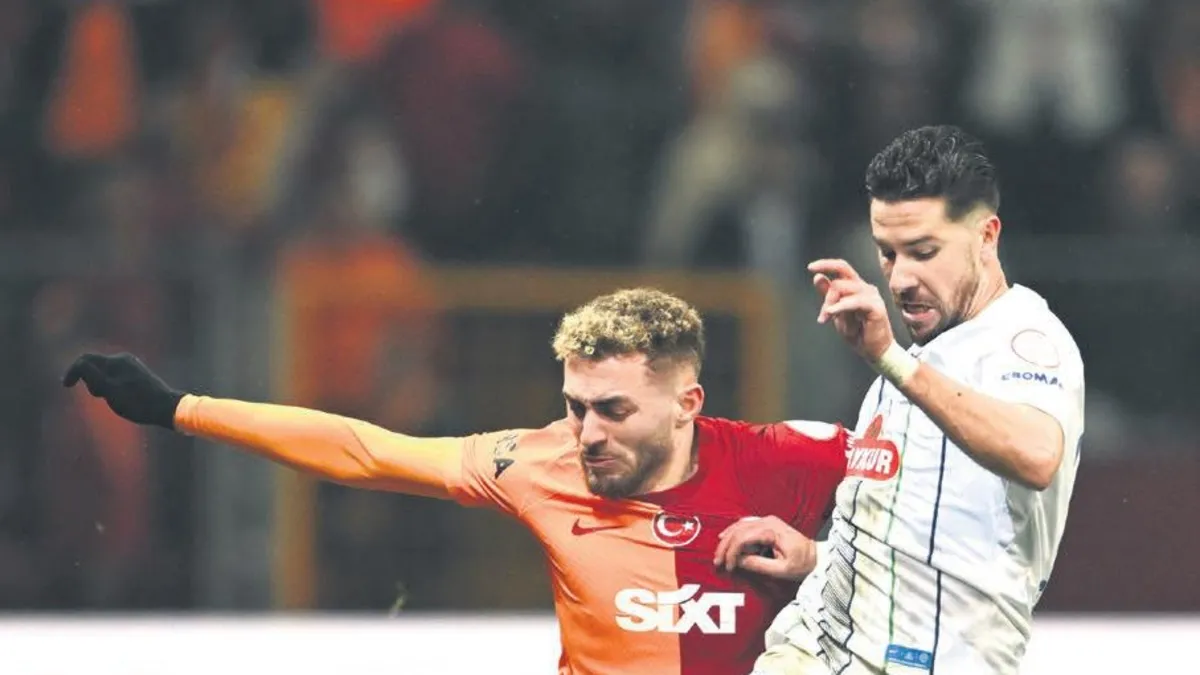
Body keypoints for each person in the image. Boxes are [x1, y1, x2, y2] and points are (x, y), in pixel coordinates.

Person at [63, 287, 849, 675]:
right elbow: (368, 451)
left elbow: (925, 504)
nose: (587, 433)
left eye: (613, 410)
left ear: (688, 403)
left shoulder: (788, 458)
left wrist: (819, 560)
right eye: (575, 406)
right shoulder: (539, 461)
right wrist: (181, 408)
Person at [717, 125, 1086, 674]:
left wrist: (890, 357)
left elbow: (1035, 455)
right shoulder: (912, 360)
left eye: (924, 252)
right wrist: (816, 555)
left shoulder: (1025, 340)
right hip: (821, 647)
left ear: (986, 236)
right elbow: (923, 544)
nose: (901, 278)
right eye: (887, 253)